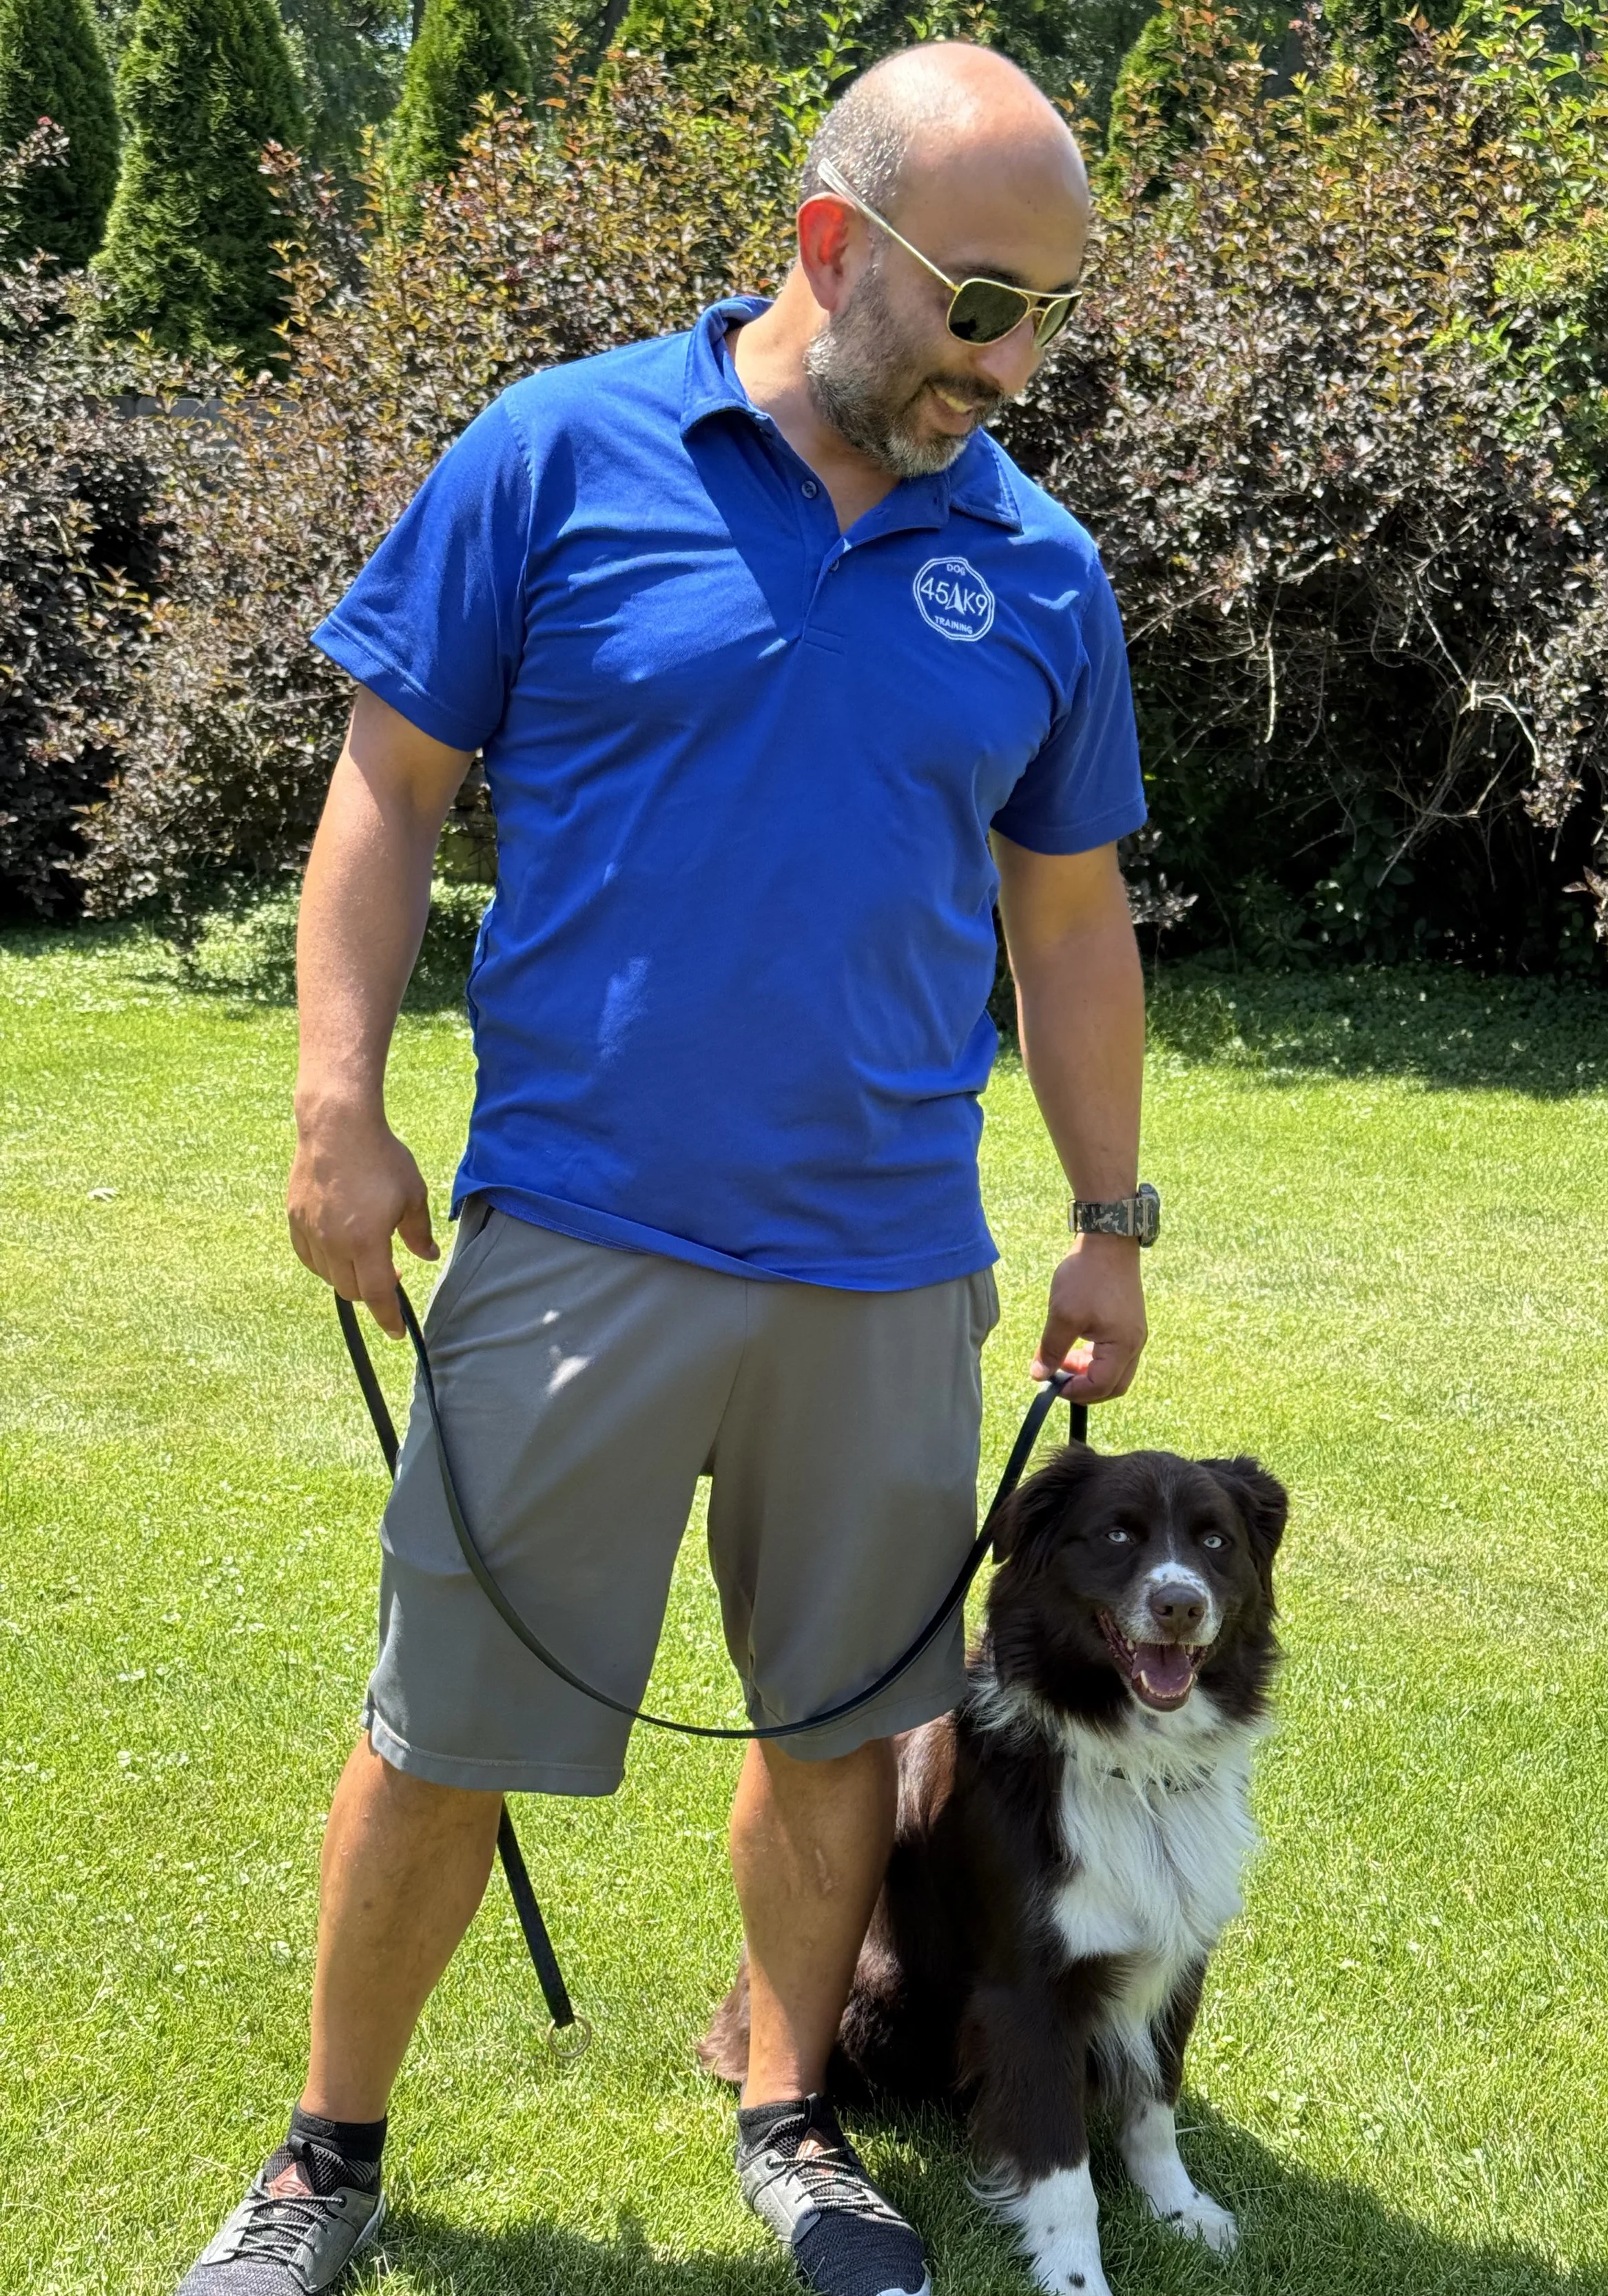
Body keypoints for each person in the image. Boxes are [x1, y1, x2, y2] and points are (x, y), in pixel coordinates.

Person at [175, 39, 1152, 2296]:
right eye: (979, 304)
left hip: (886, 1264)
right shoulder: (556, 450)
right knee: (447, 1726)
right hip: (576, 1236)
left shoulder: (1038, 566)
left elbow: (1069, 922)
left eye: (1048, 317)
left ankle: (790, 2113)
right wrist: (334, 1100)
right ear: (831, 244)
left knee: (841, 1730)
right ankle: (328, 2153)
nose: (1013, 364)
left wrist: (1107, 1218)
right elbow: (386, 786)